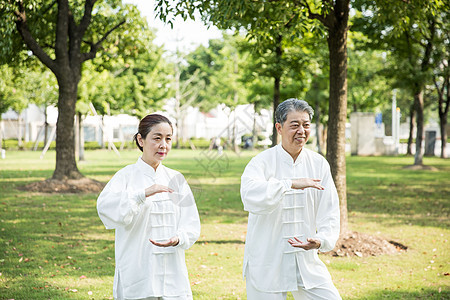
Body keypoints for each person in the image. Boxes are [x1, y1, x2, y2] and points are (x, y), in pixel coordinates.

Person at [240, 99, 341, 300]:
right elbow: (249, 195)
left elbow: (329, 210)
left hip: (305, 261)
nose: (301, 131)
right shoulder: (261, 162)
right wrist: (290, 183)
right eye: (294, 125)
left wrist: (321, 240)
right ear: (279, 127)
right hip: (268, 257)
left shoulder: (318, 164)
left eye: (306, 125)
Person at [97, 114, 201, 300]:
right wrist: (141, 194)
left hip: (172, 273)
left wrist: (178, 239)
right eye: (157, 138)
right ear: (140, 140)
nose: (163, 145)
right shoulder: (125, 176)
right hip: (138, 274)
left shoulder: (176, 179)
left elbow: (191, 223)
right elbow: (105, 209)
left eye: (168, 139)